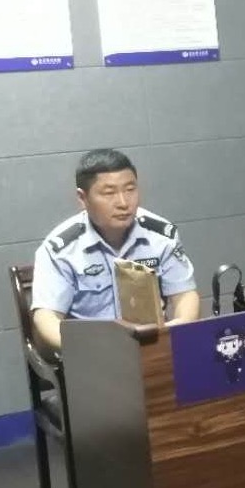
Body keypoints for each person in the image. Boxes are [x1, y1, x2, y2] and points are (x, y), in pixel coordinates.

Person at [31, 148, 199, 350]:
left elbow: (185, 296)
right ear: (83, 198)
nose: (123, 203)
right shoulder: (61, 249)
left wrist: (173, 334)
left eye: (130, 189)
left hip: (154, 347)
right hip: (94, 352)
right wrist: (85, 350)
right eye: (109, 193)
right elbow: (46, 316)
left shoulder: (160, 236)